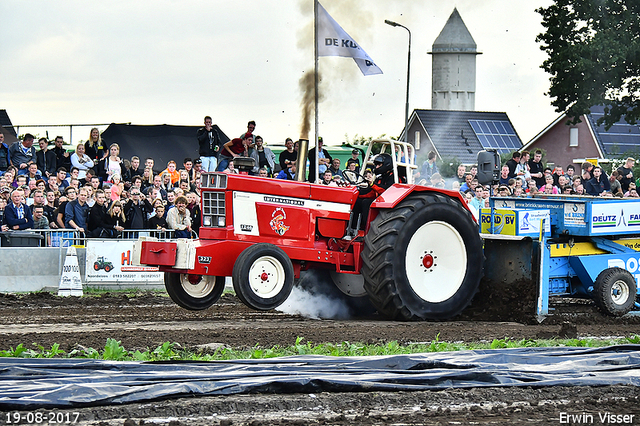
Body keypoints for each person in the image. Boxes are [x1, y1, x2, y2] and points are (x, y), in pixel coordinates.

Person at [349, 154, 395, 232]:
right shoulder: (381, 177)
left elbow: (387, 191)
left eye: (379, 165)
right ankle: (352, 229)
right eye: (376, 165)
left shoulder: (393, 177)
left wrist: (372, 184)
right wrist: (356, 193)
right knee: (357, 201)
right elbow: (371, 193)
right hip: (379, 201)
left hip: (388, 204)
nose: (376, 167)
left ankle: (367, 230)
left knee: (366, 203)